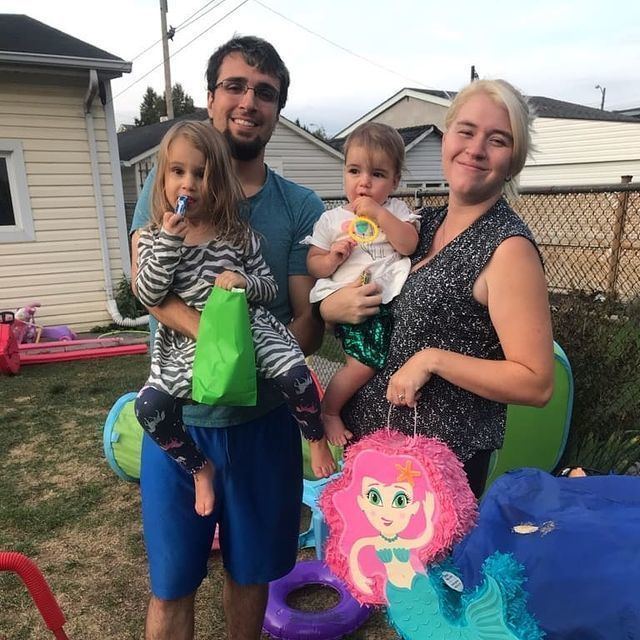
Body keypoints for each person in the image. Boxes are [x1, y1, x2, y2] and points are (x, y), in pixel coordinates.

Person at [130, 36, 325, 640]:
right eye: (235, 86)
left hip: (264, 428)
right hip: (184, 425)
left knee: (252, 576)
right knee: (171, 585)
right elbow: (149, 290)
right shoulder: (165, 187)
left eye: (265, 92)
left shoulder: (298, 206)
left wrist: (260, 347)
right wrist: (221, 349)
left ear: (278, 108)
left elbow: (306, 323)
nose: (249, 101)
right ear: (212, 97)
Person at [320, 79, 555, 499]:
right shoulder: (420, 225)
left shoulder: (507, 248)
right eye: (466, 131)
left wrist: (433, 360)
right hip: (373, 456)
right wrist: (331, 308)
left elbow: (536, 383)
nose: (476, 148)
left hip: (435, 477)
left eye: (497, 140)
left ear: (514, 160)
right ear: (447, 140)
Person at [134, 121, 335, 517]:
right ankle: (198, 468)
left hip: (250, 329)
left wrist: (244, 281)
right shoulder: (156, 237)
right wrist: (170, 242)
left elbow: (268, 288)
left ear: (220, 183)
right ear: (163, 179)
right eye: (178, 172)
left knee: (295, 373)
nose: (188, 184)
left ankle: (314, 436)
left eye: (201, 173)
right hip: (189, 347)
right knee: (150, 408)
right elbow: (149, 293)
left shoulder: (238, 234)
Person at [304, 123, 419, 447]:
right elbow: (313, 262)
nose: (364, 182)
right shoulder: (331, 219)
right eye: (355, 171)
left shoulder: (396, 211)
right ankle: (329, 410)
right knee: (363, 364)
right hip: (349, 300)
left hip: (386, 300)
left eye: (377, 174)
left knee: (385, 361)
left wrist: (380, 215)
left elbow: (408, 244)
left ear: (395, 181)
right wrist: (332, 259)